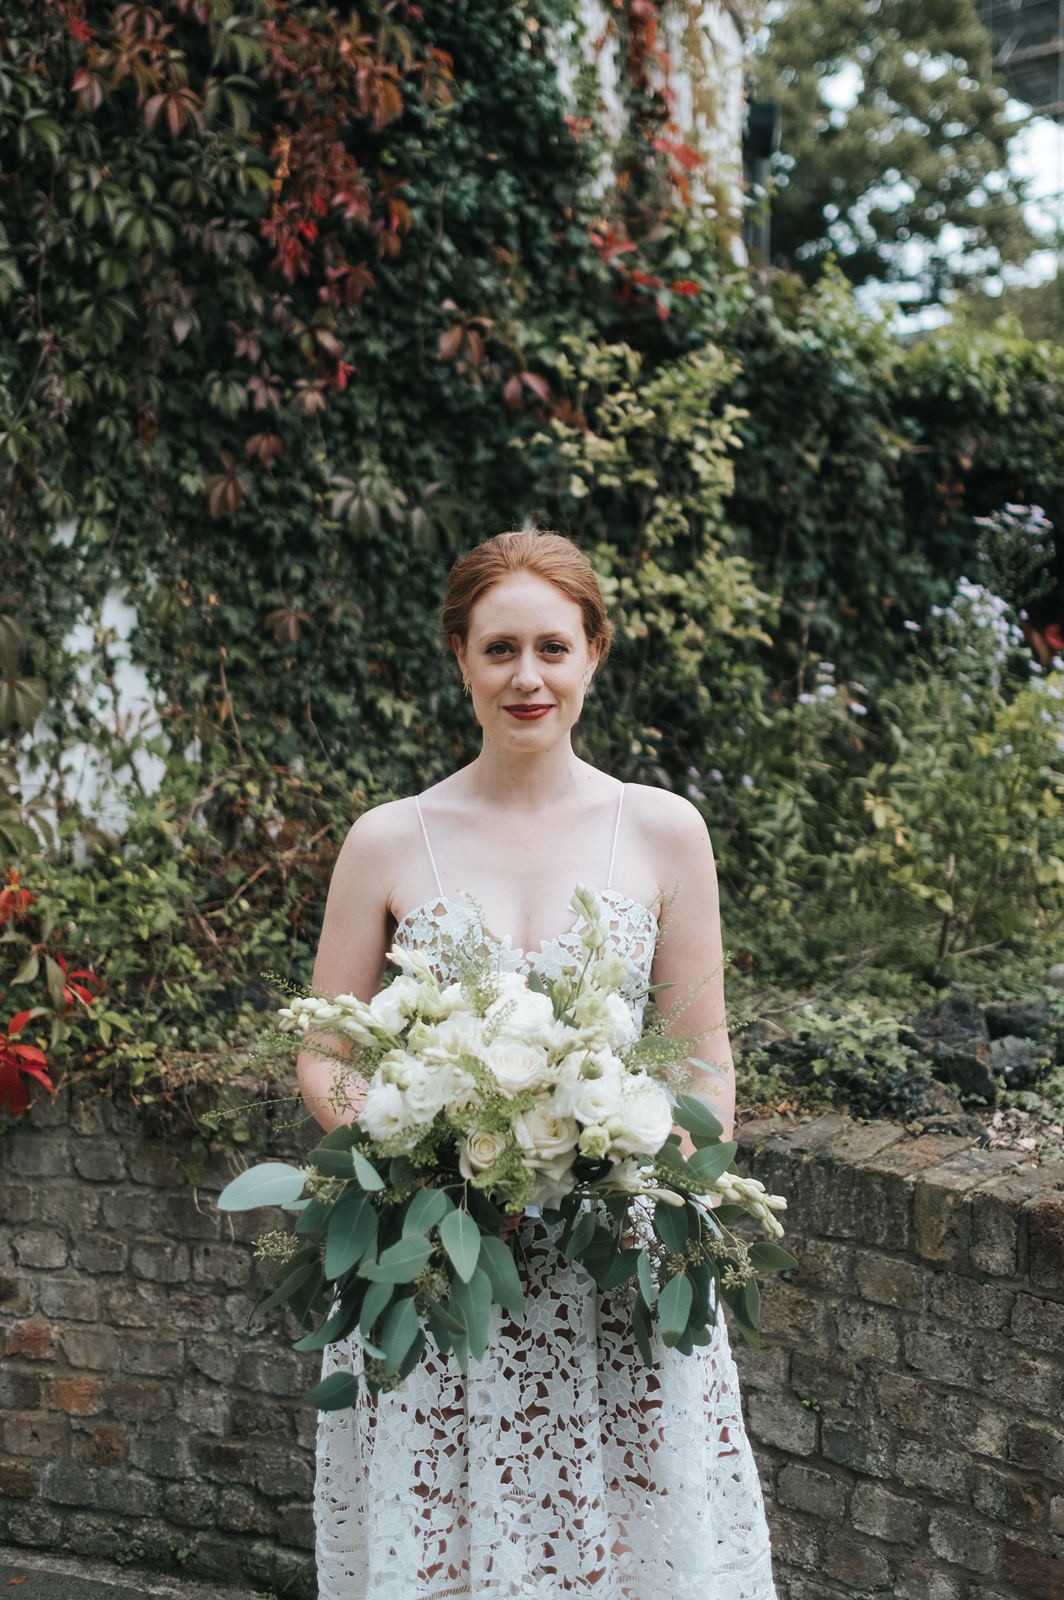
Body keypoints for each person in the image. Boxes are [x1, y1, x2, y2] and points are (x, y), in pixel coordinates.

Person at [298, 528, 777, 1600]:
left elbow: (703, 1063)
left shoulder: (664, 832)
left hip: (614, 1262)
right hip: (439, 1261)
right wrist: (411, 1152)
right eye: (500, 647)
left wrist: (648, 1185)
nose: (528, 677)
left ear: (594, 654)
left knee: (620, 1528)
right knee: (451, 1534)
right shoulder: (387, 839)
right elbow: (328, 1053)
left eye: (553, 648)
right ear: (458, 657)